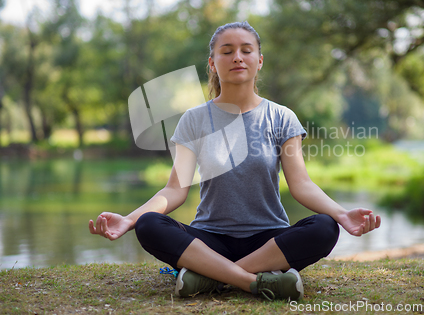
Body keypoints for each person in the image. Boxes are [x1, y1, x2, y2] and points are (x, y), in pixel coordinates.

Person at [89, 21, 381, 301]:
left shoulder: (281, 117)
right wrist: (129, 219)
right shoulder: (194, 120)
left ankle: (210, 276)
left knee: (324, 227)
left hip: (269, 242)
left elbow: (301, 184)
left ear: (260, 60)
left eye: (246, 50)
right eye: (227, 51)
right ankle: (252, 281)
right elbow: (174, 190)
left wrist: (341, 215)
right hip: (208, 239)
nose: (237, 57)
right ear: (213, 63)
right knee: (150, 225)